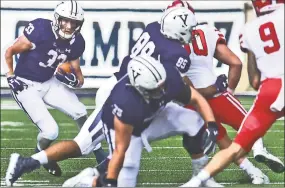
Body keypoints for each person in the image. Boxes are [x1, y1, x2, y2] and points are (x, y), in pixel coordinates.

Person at [5, 6, 219, 187]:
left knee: (190, 121)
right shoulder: (174, 60)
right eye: (189, 29)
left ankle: (201, 175)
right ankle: (71, 172)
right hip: (127, 95)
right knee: (92, 146)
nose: (192, 33)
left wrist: (210, 123)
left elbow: (182, 91)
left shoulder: (155, 30)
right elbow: (175, 87)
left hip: (138, 88)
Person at [166, 0, 282, 185]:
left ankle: (251, 172)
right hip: (216, 95)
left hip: (190, 102)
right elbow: (236, 63)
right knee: (249, 125)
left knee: (222, 140)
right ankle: (259, 150)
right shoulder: (207, 32)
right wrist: (227, 90)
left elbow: (181, 83)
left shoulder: (166, 43)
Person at [3, 0, 106, 177]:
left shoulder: (77, 42)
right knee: (51, 131)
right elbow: (8, 51)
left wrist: (74, 81)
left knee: (80, 111)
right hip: (25, 83)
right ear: (57, 19)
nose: (68, 26)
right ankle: (43, 156)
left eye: (74, 22)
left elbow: (78, 76)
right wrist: (10, 76)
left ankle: (100, 155)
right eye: (65, 20)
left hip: (49, 81)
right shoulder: (41, 30)